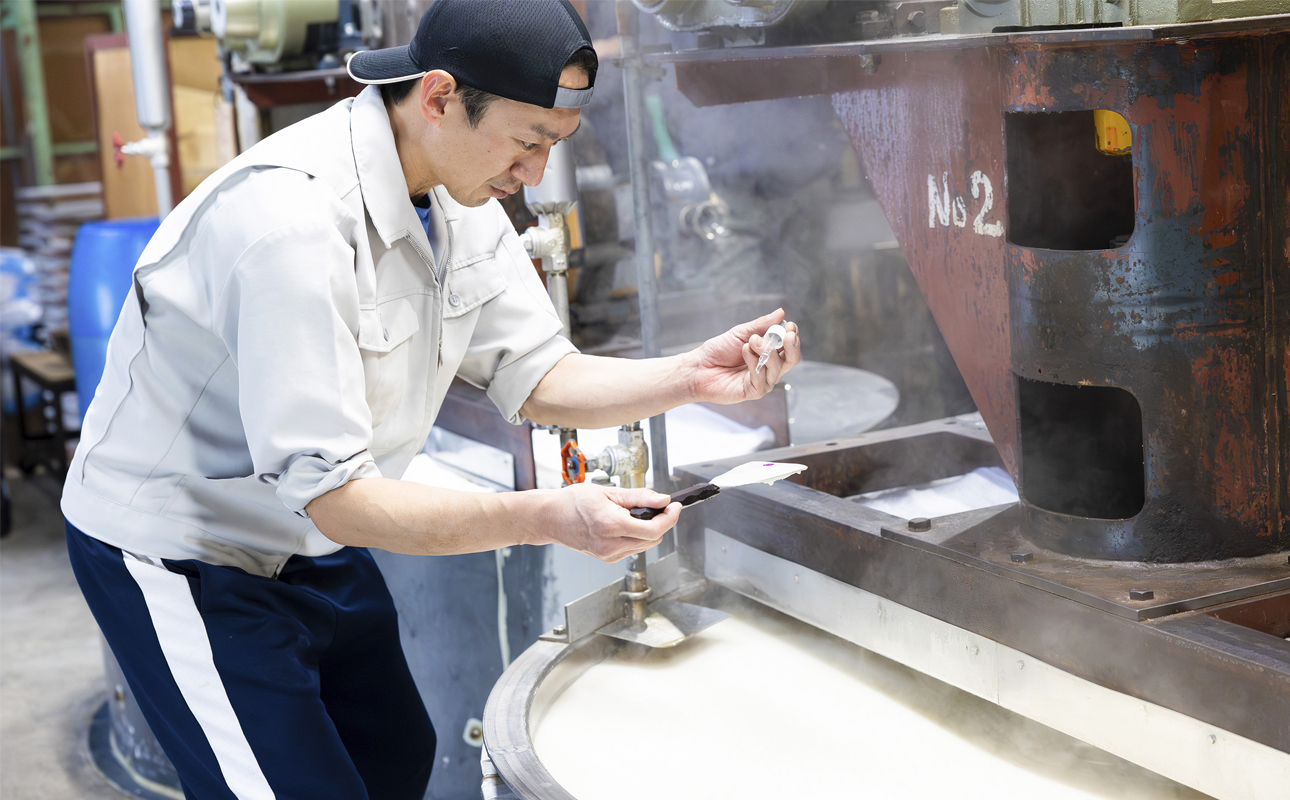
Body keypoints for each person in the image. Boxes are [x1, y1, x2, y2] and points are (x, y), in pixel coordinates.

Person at [62, 1, 801, 797]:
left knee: (395, 756)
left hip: (304, 522)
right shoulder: (290, 225)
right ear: (441, 96)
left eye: (554, 146)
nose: (535, 175)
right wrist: (548, 517)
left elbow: (540, 372)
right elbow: (341, 500)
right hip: (187, 548)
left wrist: (692, 376)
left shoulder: (455, 188)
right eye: (528, 143)